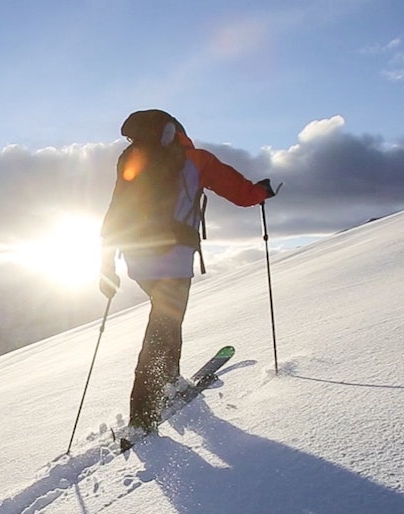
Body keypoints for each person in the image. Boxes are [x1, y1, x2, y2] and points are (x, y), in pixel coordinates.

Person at [99, 109, 275, 441]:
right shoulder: (196, 160)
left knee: (165, 321)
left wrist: (106, 265)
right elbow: (238, 192)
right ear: (176, 130)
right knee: (163, 328)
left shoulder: (130, 161)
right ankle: (142, 414)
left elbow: (115, 210)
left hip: (137, 260)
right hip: (174, 260)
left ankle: (169, 380)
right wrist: (260, 192)